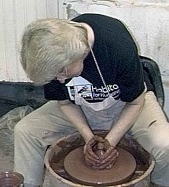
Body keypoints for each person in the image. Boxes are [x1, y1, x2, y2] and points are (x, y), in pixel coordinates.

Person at [14, 13, 169, 187]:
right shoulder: (51, 51)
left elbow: (136, 102)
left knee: (164, 144)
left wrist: (110, 142)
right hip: (80, 107)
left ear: (77, 56)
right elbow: (64, 103)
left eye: (60, 74)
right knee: (25, 131)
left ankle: (157, 183)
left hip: (127, 105)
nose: (59, 80)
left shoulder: (116, 46)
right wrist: (88, 137)